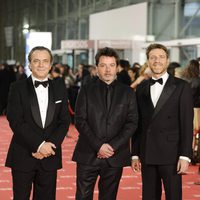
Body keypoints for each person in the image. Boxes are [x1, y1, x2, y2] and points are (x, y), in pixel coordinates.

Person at [72, 47, 138, 200]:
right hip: (88, 153)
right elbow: (80, 121)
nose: (108, 70)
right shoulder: (86, 90)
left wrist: (112, 146)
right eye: (103, 65)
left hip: (115, 156)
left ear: (117, 68)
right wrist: (98, 146)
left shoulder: (127, 92)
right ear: (97, 68)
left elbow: (132, 122)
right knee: (82, 197)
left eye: (111, 65)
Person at [5, 46, 71, 200]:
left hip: (50, 155)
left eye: (45, 61)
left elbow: (64, 120)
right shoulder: (17, 87)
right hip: (23, 154)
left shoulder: (59, 88)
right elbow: (15, 120)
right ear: (29, 64)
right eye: (36, 61)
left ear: (50, 64)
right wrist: (39, 145)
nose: (41, 65)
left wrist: (49, 146)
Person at [131, 43, 194, 200]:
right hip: (147, 152)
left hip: (171, 154)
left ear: (167, 61)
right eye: (153, 57)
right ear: (148, 61)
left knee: (173, 196)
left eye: (161, 57)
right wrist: (135, 154)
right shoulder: (142, 88)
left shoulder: (182, 87)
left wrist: (185, 156)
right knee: (149, 196)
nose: (157, 60)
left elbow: (187, 124)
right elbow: (138, 124)